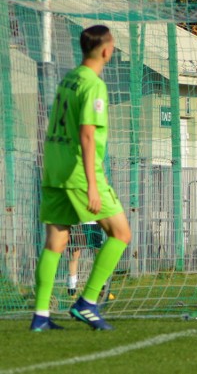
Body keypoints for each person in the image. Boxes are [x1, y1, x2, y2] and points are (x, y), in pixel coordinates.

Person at [30, 25, 132, 331]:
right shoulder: (93, 84)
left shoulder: (68, 78)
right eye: (112, 45)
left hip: (54, 167)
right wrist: (91, 184)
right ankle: (87, 302)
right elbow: (87, 135)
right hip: (78, 170)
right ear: (105, 50)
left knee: (57, 240)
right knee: (121, 234)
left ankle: (41, 316)